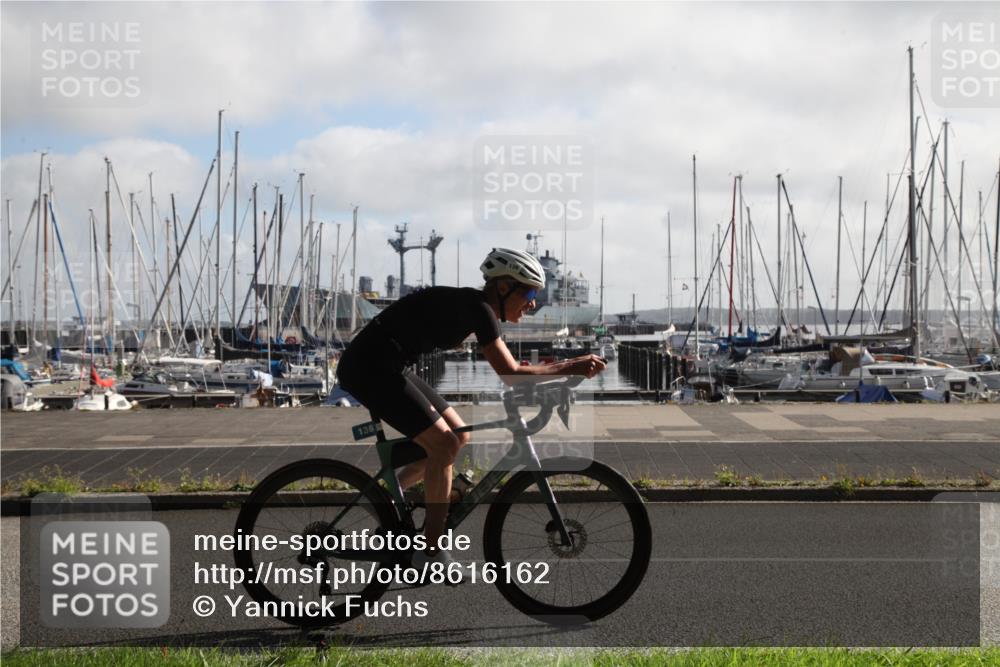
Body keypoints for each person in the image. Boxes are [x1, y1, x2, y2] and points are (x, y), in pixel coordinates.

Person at [335, 247, 606, 579]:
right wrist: (570, 365)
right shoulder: (479, 308)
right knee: (443, 445)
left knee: (458, 435)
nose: (533, 302)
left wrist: (562, 375)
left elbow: (510, 373)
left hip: (391, 365)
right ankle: (430, 553)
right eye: (530, 292)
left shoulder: (476, 308)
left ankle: (386, 495)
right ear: (504, 287)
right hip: (370, 368)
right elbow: (510, 373)